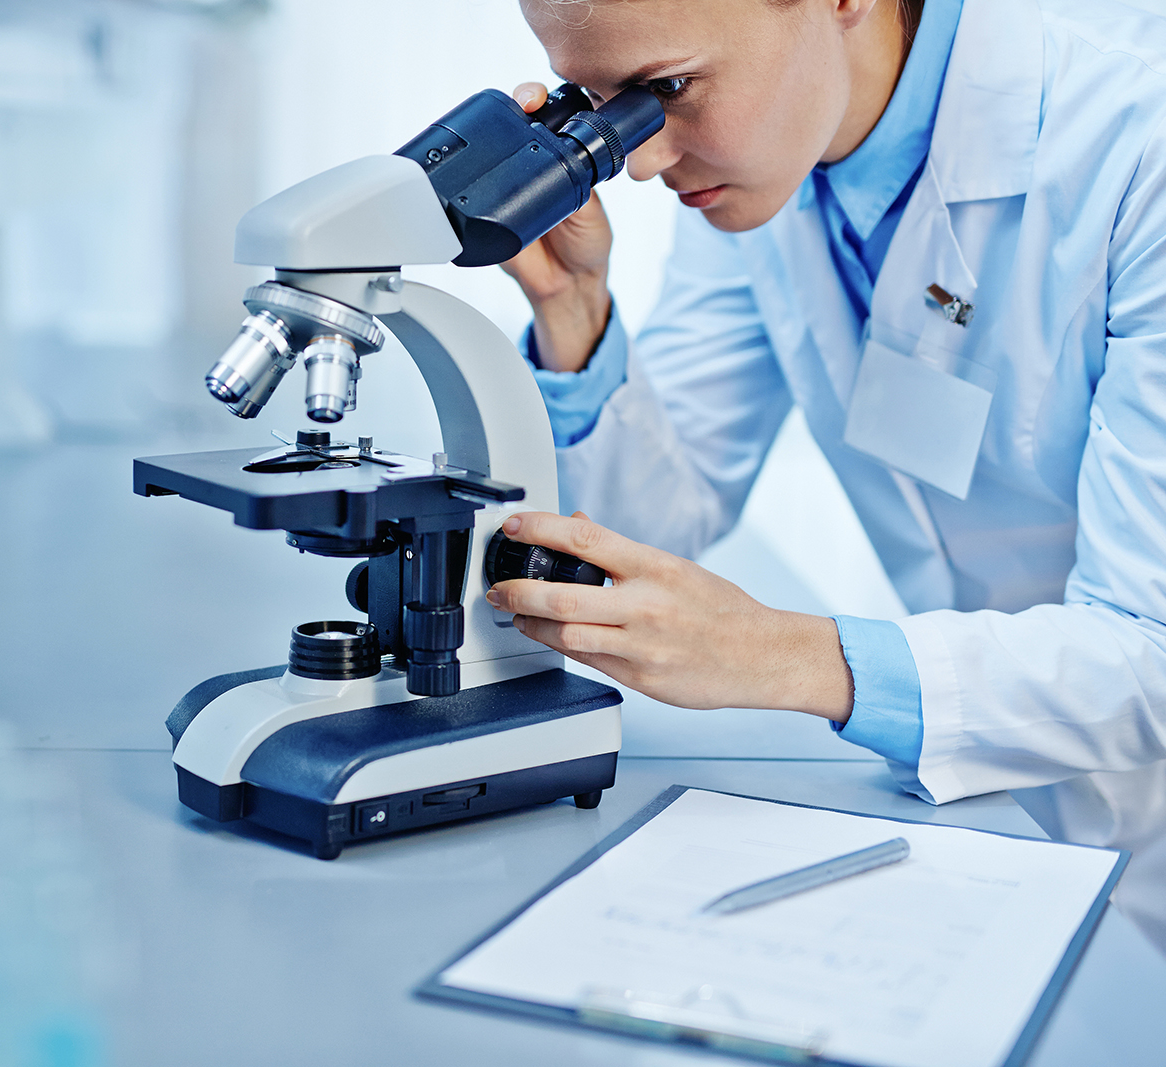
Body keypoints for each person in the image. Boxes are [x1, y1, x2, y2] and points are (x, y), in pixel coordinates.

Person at [487, 0, 1166, 952]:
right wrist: (574, 310)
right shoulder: (764, 158)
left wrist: (783, 655)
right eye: (600, 106)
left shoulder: (1139, 135)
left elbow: (1152, 650)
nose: (639, 161)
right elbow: (656, 524)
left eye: (668, 90)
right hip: (1006, 817)